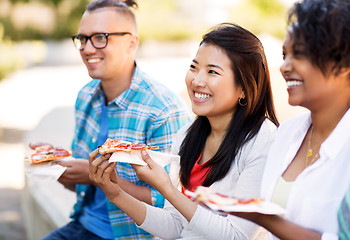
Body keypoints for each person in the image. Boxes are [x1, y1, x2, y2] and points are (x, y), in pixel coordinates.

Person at [89, 23, 279, 239]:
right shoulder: (187, 135)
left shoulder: (262, 139)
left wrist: (166, 188)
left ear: (244, 87)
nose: (197, 81)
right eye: (194, 67)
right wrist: (114, 193)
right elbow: (175, 226)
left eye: (212, 72)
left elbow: (236, 236)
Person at [42, 0, 192, 239]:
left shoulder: (163, 110)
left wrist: (98, 178)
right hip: (82, 225)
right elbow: (82, 187)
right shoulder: (86, 96)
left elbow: (174, 203)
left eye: (100, 37)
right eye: (82, 39)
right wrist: (55, 164)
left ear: (132, 43)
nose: (88, 49)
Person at [227, 0, 350, 239]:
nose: (284, 67)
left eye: (300, 54)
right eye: (284, 54)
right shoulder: (288, 132)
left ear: (344, 64)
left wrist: (263, 219)